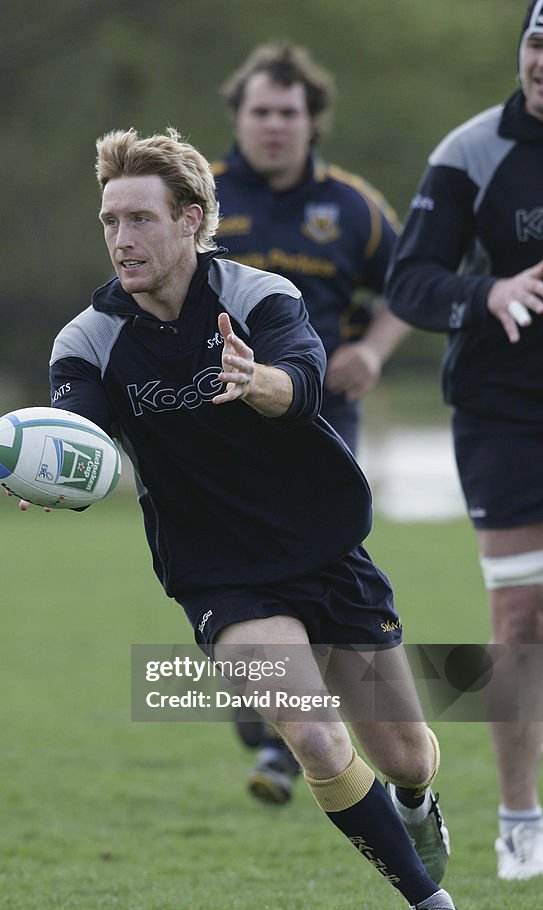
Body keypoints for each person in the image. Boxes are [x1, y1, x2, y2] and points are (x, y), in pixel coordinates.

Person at [19, 125, 462, 910]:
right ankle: (428, 906)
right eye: (110, 221)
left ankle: (414, 801)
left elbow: (302, 384)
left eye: (141, 218)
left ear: (191, 220)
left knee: (404, 754)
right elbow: (75, 427)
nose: (122, 239)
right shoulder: (87, 338)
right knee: (312, 735)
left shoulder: (259, 297)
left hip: (324, 547)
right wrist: (53, 469)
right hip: (220, 573)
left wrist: (251, 379)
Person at [212, 42, 412, 804]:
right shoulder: (204, 197)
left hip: (321, 418)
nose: (273, 126)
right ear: (237, 116)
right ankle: (274, 726)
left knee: (318, 561)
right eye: (260, 111)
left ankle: (278, 736)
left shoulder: (353, 206)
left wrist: (374, 348)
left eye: (288, 113)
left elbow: (406, 286)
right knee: (236, 566)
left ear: (311, 121)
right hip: (219, 424)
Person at [386, 1, 543, 881]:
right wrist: (484, 294)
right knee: (521, 617)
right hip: (504, 412)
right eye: (535, 43)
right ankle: (520, 819)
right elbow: (409, 280)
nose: (542, 62)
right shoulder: (471, 152)